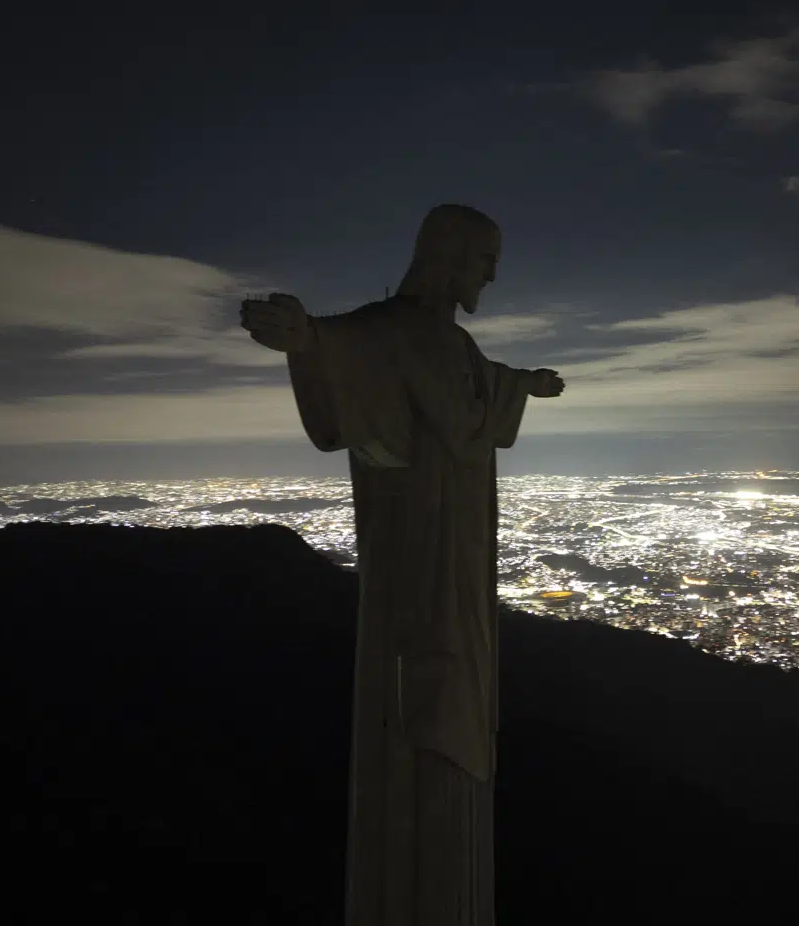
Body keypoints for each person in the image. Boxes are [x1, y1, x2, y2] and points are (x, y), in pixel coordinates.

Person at [240, 203, 564, 925]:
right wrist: (307, 340)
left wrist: (528, 383)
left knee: (460, 688)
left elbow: (482, 380)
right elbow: (350, 346)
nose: (494, 274)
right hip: (418, 560)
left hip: (464, 559)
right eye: (485, 259)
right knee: (426, 698)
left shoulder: (455, 345)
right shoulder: (392, 330)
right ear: (450, 255)